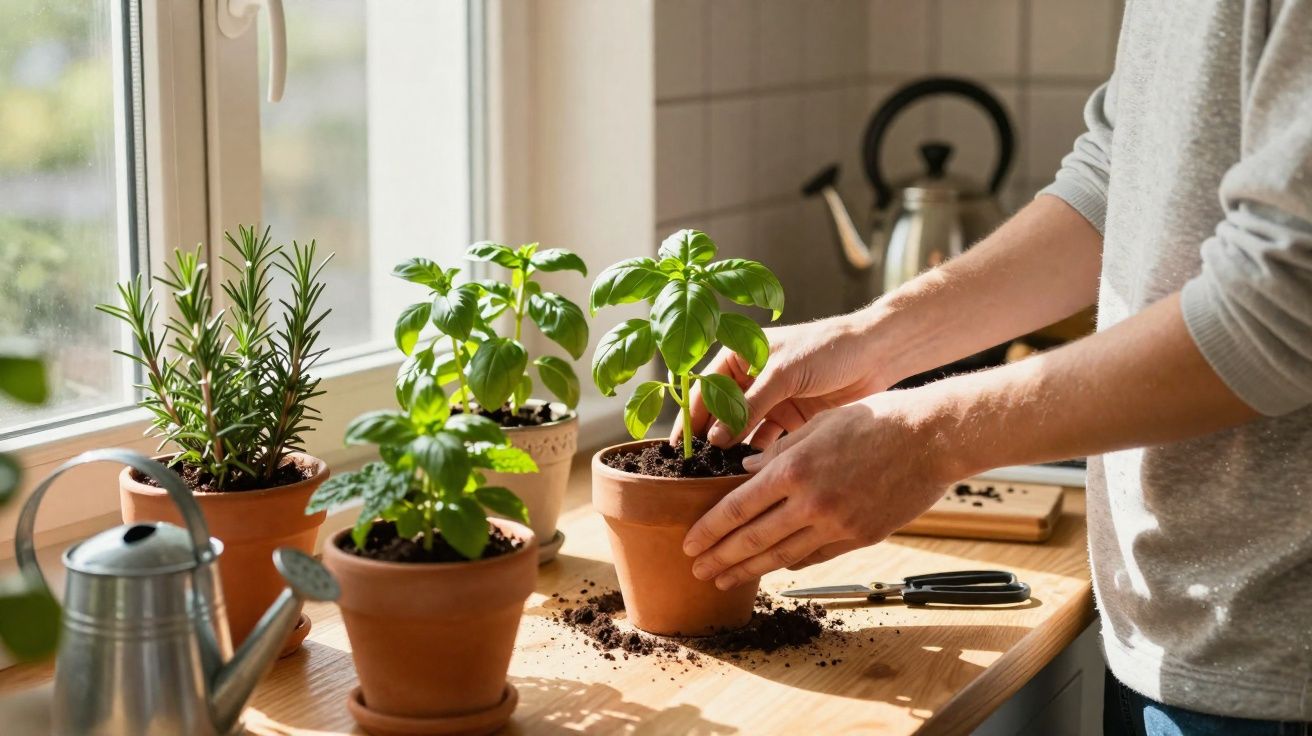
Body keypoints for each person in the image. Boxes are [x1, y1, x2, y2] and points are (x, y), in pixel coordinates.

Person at [674, 2, 1312, 733]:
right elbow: (1120, 175)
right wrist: (876, 337)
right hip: (1168, 631)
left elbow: (1284, 305)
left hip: (1278, 667)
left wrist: (931, 438)